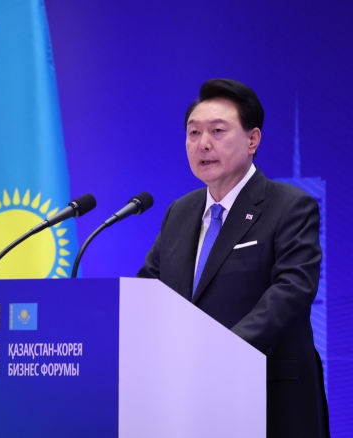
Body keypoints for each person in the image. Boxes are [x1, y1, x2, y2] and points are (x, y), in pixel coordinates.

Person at [137, 79, 329, 437]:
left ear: (252, 140)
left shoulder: (289, 205)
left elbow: (292, 289)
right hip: (188, 402)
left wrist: (223, 352)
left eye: (218, 131)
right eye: (193, 133)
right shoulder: (180, 211)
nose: (203, 143)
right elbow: (147, 292)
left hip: (269, 396)